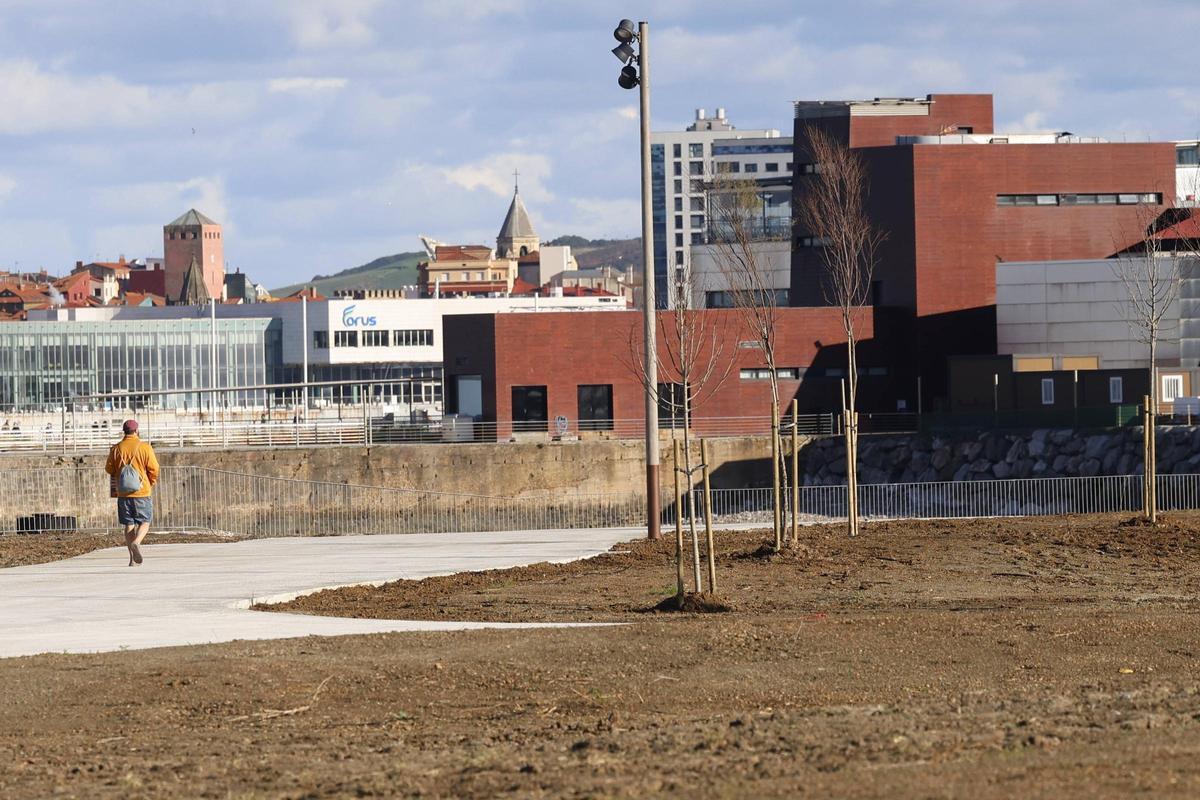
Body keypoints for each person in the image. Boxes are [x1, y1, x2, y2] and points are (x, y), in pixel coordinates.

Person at [104, 419, 160, 566]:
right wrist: (151, 482)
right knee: (145, 522)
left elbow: (109, 469)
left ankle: (131, 560)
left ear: (124, 431)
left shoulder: (116, 449)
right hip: (142, 492)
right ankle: (137, 542)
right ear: (137, 431)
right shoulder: (145, 447)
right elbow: (154, 469)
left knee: (128, 524)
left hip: (123, 493)